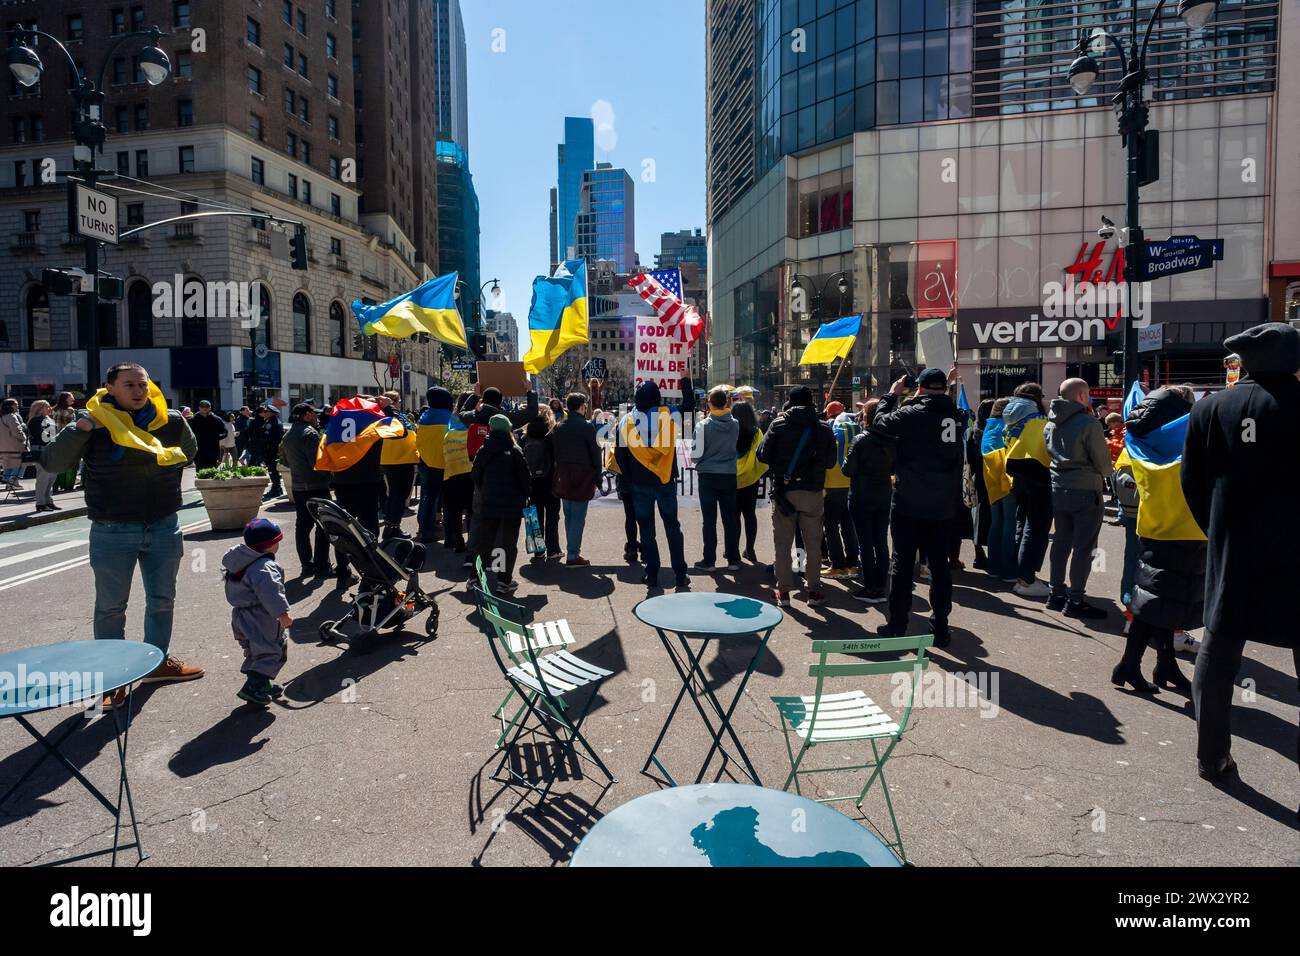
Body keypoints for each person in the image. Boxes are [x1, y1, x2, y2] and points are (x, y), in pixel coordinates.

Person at [40, 362, 203, 708]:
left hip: (163, 524)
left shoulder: (170, 419)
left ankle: (157, 663)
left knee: (162, 601)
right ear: (110, 388)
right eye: (129, 385)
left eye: (143, 384)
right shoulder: (94, 422)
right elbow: (53, 462)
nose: (139, 391)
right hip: (113, 528)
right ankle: (113, 678)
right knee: (111, 607)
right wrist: (82, 427)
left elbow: (190, 451)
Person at [1183, 322, 1300, 783]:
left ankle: (1212, 756)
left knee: (1218, 651)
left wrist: (1215, 532)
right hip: (1295, 550)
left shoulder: (1212, 408)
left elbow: (1192, 481)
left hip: (1234, 547)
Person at [1111, 384, 1204, 695]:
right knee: (1156, 604)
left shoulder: (1138, 436)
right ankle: (1128, 665)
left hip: (1153, 526)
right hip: (1187, 529)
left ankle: (1164, 664)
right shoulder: (1190, 437)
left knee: (1158, 601)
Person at [871, 369, 963, 644]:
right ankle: (941, 626)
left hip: (909, 502)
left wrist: (893, 394)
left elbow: (879, 423)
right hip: (943, 504)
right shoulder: (957, 416)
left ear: (920, 389)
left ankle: (898, 624)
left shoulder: (912, 414)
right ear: (945, 389)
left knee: (901, 563)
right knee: (940, 566)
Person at [756, 385, 836, 607]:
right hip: (813, 493)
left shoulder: (779, 424)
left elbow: (762, 455)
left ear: (789, 402)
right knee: (813, 543)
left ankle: (783, 592)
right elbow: (830, 462)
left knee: (782, 544)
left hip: (784, 492)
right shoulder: (824, 428)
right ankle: (814, 591)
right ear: (812, 402)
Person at [1043, 378, 1111, 620]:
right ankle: (1075, 598)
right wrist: (1107, 474)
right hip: (1085, 487)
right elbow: (1102, 461)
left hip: (1058, 485)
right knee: (1084, 546)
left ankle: (1055, 593)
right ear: (1082, 396)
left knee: (1061, 542)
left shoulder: (1049, 423)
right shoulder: (1089, 423)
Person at [615, 380, 689, 590]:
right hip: (665, 481)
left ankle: (652, 573)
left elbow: (620, 456)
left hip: (639, 484)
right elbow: (690, 406)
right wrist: (685, 379)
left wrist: (630, 479)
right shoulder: (669, 416)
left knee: (647, 530)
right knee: (672, 527)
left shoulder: (626, 422)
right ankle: (680, 574)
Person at [222, 518, 292, 706]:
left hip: (240, 615)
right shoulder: (265, 568)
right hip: (261, 617)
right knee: (271, 650)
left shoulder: (238, 563)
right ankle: (253, 688)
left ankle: (263, 684)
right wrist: (282, 615)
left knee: (255, 650)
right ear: (271, 544)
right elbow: (270, 593)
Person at [842, 398, 896, 604]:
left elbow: (848, 469)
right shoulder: (892, 440)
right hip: (883, 493)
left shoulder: (861, 439)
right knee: (881, 541)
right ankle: (882, 586)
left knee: (865, 543)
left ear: (866, 417)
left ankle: (870, 587)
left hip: (861, 495)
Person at [1003, 383, 1053, 597]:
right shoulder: (1038, 421)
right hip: (1039, 475)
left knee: (1022, 523)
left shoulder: (1011, 420)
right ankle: (1026, 579)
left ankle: (1020, 574)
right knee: (1036, 527)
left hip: (1018, 476)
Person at [472, 415, 530, 592]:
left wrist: (484, 489)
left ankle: (475, 578)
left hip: (489, 502)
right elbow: (525, 479)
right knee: (507, 543)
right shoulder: (514, 450)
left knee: (485, 541)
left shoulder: (484, 449)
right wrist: (526, 496)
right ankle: (503, 580)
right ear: (508, 429)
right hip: (512, 505)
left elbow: (475, 474)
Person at [692, 386, 742, 572]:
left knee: (709, 520)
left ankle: (709, 560)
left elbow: (696, 455)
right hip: (728, 474)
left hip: (708, 475)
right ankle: (733, 559)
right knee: (730, 518)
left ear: (709, 403)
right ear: (727, 403)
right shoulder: (735, 424)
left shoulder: (703, 425)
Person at [280, 402, 333, 577]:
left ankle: (306, 565)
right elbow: (316, 462)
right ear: (306, 415)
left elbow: (285, 461)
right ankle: (322, 565)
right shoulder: (310, 434)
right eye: (314, 413)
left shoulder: (288, 435)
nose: (317, 416)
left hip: (298, 486)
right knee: (323, 525)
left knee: (302, 526)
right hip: (316, 485)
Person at [552, 392, 602, 565]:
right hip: (583, 475)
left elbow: (555, 452)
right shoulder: (587, 426)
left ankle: (572, 550)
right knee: (578, 516)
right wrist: (598, 477)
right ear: (581, 406)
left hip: (564, 473)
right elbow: (596, 454)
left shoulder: (559, 426)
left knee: (569, 514)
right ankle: (573, 554)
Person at [981, 398, 1018, 582]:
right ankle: (1008, 569)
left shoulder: (989, 427)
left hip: (992, 483)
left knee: (996, 524)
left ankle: (993, 566)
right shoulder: (1007, 427)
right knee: (1009, 526)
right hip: (1008, 481)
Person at [822, 401, 861, 579]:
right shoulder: (856, 429)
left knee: (830, 527)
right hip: (851, 484)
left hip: (831, 484)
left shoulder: (828, 429)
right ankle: (853, 563)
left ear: (829, 414)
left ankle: (837, 565)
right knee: (848, 525)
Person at [377, 391, 418, 539]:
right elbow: (398, 427)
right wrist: (389, 407)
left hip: (403, 458)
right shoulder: (388, 416)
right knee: (397, 495)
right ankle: (392, 528)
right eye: (398, 401)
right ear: (392, 402)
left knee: (399, 495)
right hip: (397, 460)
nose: (401, 403)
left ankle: (393, 526)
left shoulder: (395, 414)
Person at [522, 407, 561, 560]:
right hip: (550, 481)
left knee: (535, 515)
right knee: (552, 515)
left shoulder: (525, 437)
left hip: (532, 483)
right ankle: (553, 549)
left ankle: (538, 549)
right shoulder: (550, 435)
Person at [415, 386, 453, 544]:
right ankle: (450, 530)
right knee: (449, 499)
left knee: (428, 497)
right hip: (447, 463)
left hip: (426, 462)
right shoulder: (450, 417)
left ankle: (425, 528)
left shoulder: (424, 416)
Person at [440, 393, 477, 553]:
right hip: (469, 470)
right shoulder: (472, 423)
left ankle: (457, 542)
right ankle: (471, 541)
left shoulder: (451, 423)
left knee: (454, 509)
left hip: (451, 471)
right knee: (471, 509)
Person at [733, 400, 767, 562]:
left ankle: (733, 550)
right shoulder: (757, 432)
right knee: (749, 515)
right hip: (751, 479)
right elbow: (762, 457)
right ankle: (750, 549)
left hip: (732, 480)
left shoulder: (730, 430)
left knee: (734, 517)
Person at [965, 399, 995, 571]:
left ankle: (978, 553)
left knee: (978, 518)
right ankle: (992, 555)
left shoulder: (972, 431)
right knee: (993, 519)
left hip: (976, 479)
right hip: (992, 479)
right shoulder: (993, 431)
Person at [25, 400, 58, 511]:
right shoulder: (35, 421)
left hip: (51, 450)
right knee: (43, 478)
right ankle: (41, 503)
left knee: (51, 478)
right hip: (41, 450)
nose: (50, 409)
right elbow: (43, 436)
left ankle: (48, 501)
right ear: (40, 409)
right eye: (47, 407)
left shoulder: (49, 419)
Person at [247, 403, 285, 498]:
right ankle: (277, 488)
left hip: (270, 451)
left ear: (271, 413)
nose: (264, 413)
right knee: (273, 470)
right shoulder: (273, 421)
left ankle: (276, 488)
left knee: (272, 470)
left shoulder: (271, 423)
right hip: (271, 450)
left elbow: (267, 438)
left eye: (266, 411)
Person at [50, 392, 79, 492]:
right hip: (67, 439)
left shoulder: (53, 410)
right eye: (71, 397)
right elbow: (73, 425)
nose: (73, 399)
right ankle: (67, 485)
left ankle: (55, 485)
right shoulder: (70, 410)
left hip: (55, 440)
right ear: (66, 399)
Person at [189, 399, 227, 470]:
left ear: (210, 408)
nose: (204, 408)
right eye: (202, 407)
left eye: (206, 407)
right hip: (198, 451)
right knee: (199, 472)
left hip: (212, 450)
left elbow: (225, 432)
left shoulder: (216, 420)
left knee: (212, 472)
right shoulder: (193, 420)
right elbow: (188, 435)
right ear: (199, 408)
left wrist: (216, 438)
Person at [0, 398, 27, 491]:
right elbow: (16, 431)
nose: (18, 406)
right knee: (19, 463)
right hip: (14, 445)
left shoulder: (2, 416)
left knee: (8, 464)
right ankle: (13, 482)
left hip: (4, 446)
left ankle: (8, 482)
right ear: (10, 406)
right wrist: (24, 438)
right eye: (15, 404)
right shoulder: (11, 416)